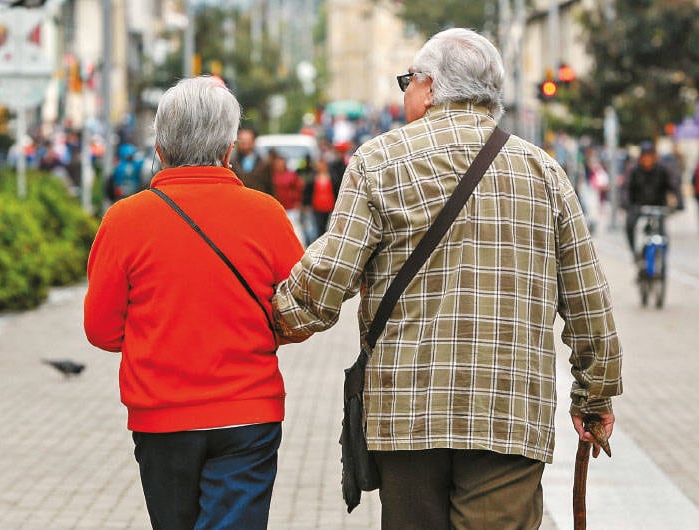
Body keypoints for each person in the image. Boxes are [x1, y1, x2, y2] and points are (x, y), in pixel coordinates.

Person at [271, 28, 622, 529]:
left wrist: (273, 319)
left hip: (408, 412)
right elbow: (588, 300)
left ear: (429, 85)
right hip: (509, 413)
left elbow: (327, 281)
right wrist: (595, 395)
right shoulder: (545, 173)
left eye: (406, 81)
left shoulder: (379, 162)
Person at [83, 76, 306, 529]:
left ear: (160, 150)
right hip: (249, 412)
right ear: (229, 150)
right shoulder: (266, 214)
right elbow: (298, 315)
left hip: (161, 416)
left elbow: (101, 330)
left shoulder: (124, 221)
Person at [624, 141, 675, 256]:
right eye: (645, 156)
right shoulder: (634, 171)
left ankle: (662, 258)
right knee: (630, 225)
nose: (647, 160)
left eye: (649, 156)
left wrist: (678, 203)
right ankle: (635, 253)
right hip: (638, 207)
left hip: (658, 207)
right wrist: (627, 204)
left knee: (663, 234)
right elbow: (626, 189)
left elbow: (673, 186)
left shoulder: (662, 170)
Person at [231, 128, 274, 196]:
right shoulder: (231, 162)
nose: (245, 144)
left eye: (248, 141)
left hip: (259, 200)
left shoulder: (264, 163)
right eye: (242, 141)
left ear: (253, 141)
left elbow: (270, 186)